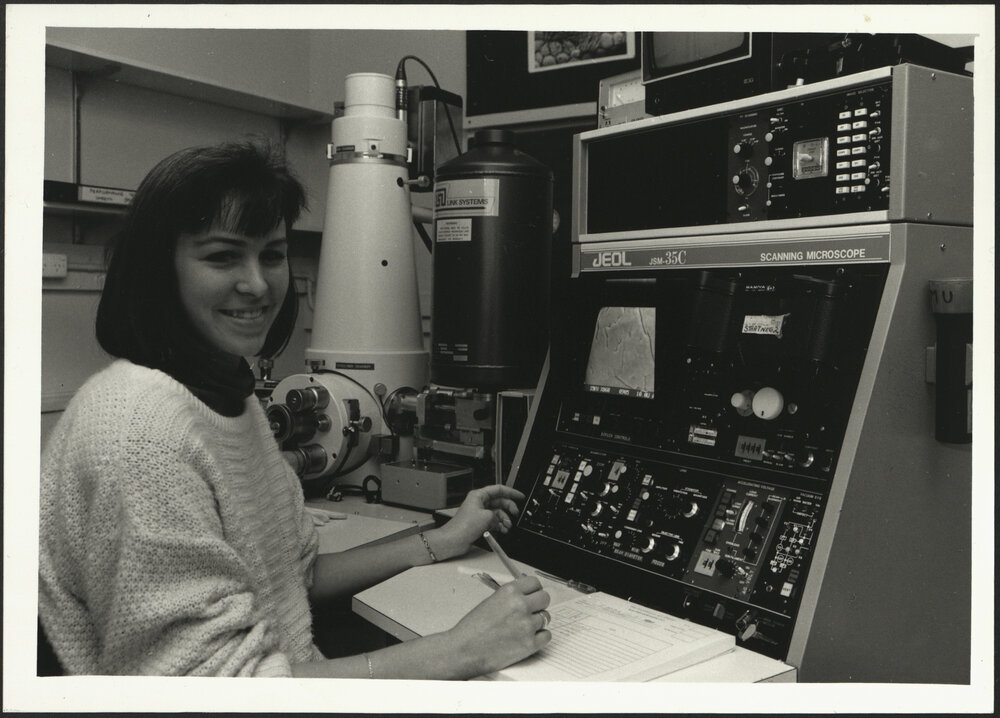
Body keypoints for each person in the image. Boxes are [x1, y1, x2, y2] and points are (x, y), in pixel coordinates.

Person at [38, 140, 551, 678]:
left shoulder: (227, 397)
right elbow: (221, 696)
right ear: (158, 268)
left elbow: (291, 574)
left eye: (273, 254)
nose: (257, 284)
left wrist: (438, 540)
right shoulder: (140, 429)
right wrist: (462, 648)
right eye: (221, 256)